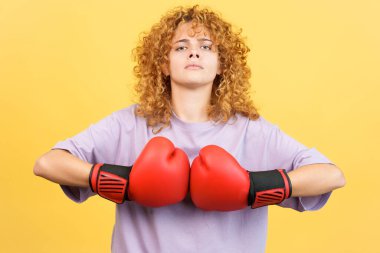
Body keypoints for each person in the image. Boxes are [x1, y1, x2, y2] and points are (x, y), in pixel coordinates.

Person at [33, 5, 346, 253]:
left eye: (206, 46)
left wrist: (251, 188)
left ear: (222, 65)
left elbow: (332, 175)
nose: (194, 52)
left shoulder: (251, 131)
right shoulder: (129, 124)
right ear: (164, 64)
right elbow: (47, 163)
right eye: (181, 47)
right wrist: (124, 183)